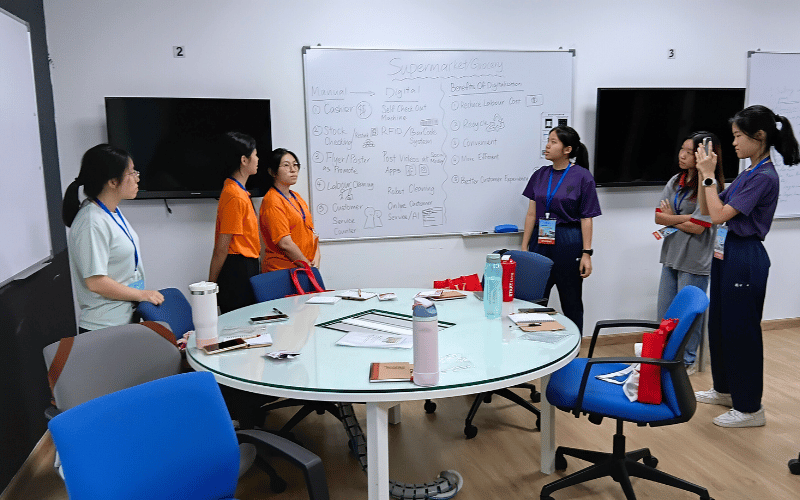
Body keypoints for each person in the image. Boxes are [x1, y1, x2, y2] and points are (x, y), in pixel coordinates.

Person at [694, 105, 800, 428]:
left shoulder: (765, 177)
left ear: (760, 136)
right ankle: (726, 390)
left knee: (742, 332)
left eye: (739, 136)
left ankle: (750, 407)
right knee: (721, 326)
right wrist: (704, 174)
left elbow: (718, 216)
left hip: (745, 256)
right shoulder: (748, 173)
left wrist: (711, 176)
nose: (735, 143)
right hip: (725, 253)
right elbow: (706, 206)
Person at [63, 144, 164, 332]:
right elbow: (96, 282)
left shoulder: (111, 211)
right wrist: (141, 294)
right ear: (112, 182)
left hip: (124, 318)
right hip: (105, 326)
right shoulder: (91, 221)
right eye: (131, 173)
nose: (137, 178)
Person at [655, 132, 725, 373]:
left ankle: (687, 360)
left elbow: (699, 227)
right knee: (665, 313)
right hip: (671, 254)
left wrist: (671, 217)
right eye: (681, 150)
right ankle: (663, 354)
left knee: (689, 315)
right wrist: (684, 217)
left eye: (688, 151)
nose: (682, 155)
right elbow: (658, 217)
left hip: (695, 259)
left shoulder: (710, 185)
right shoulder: (676, 181)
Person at [521, 126, 601, 333]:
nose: (547, 145)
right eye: (548, 140)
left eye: (553, 141)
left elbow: (587, 218)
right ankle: (534, 346)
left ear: (567, 149)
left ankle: (573, 351)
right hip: (540, 240)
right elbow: (531, 213)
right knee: (534, 299)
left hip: (568, 241)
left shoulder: (582, 177)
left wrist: (586, 253)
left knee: (571, 300)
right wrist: (523, 247)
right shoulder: (540, 175)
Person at [209, 132, 261, 314]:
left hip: (247, 266)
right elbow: (222, 246)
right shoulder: (234, 195)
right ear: (244, 160)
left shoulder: (238, 191)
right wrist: (211, 284)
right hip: (237, 271)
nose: (257, 158)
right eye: (255, 154)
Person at [259, 148, 320, 272]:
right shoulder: (272, 201)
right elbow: (285, 244)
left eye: (295, 165)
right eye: (286, 165)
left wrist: (316, 258)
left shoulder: (297, 197)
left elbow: (311, 232)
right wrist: (307, 264)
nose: (293, 170)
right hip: (283, 271)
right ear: (272, 172)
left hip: (304, 268)